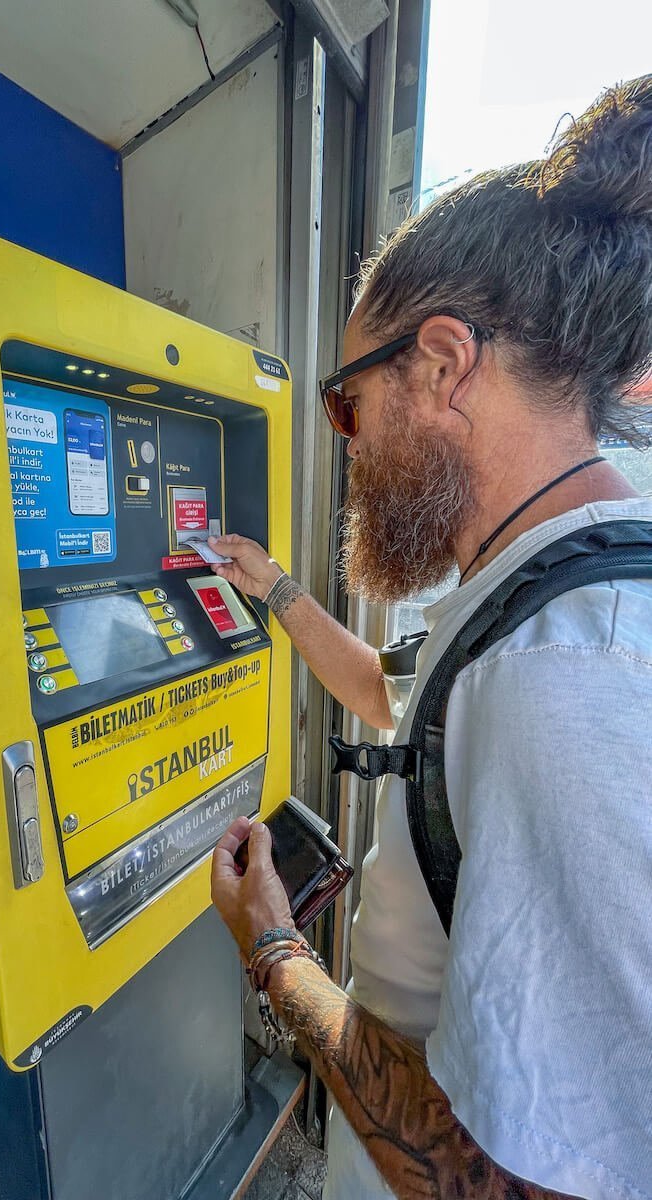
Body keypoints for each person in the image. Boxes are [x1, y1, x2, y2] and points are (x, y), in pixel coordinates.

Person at [209, 76, 652, 1200]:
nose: (348, 449)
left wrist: (275, 953)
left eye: (348, 404)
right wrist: (276, 593)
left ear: (445, 365)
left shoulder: (571, 678)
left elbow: (494, 1181)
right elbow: (399, 704)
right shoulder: (535, 591)